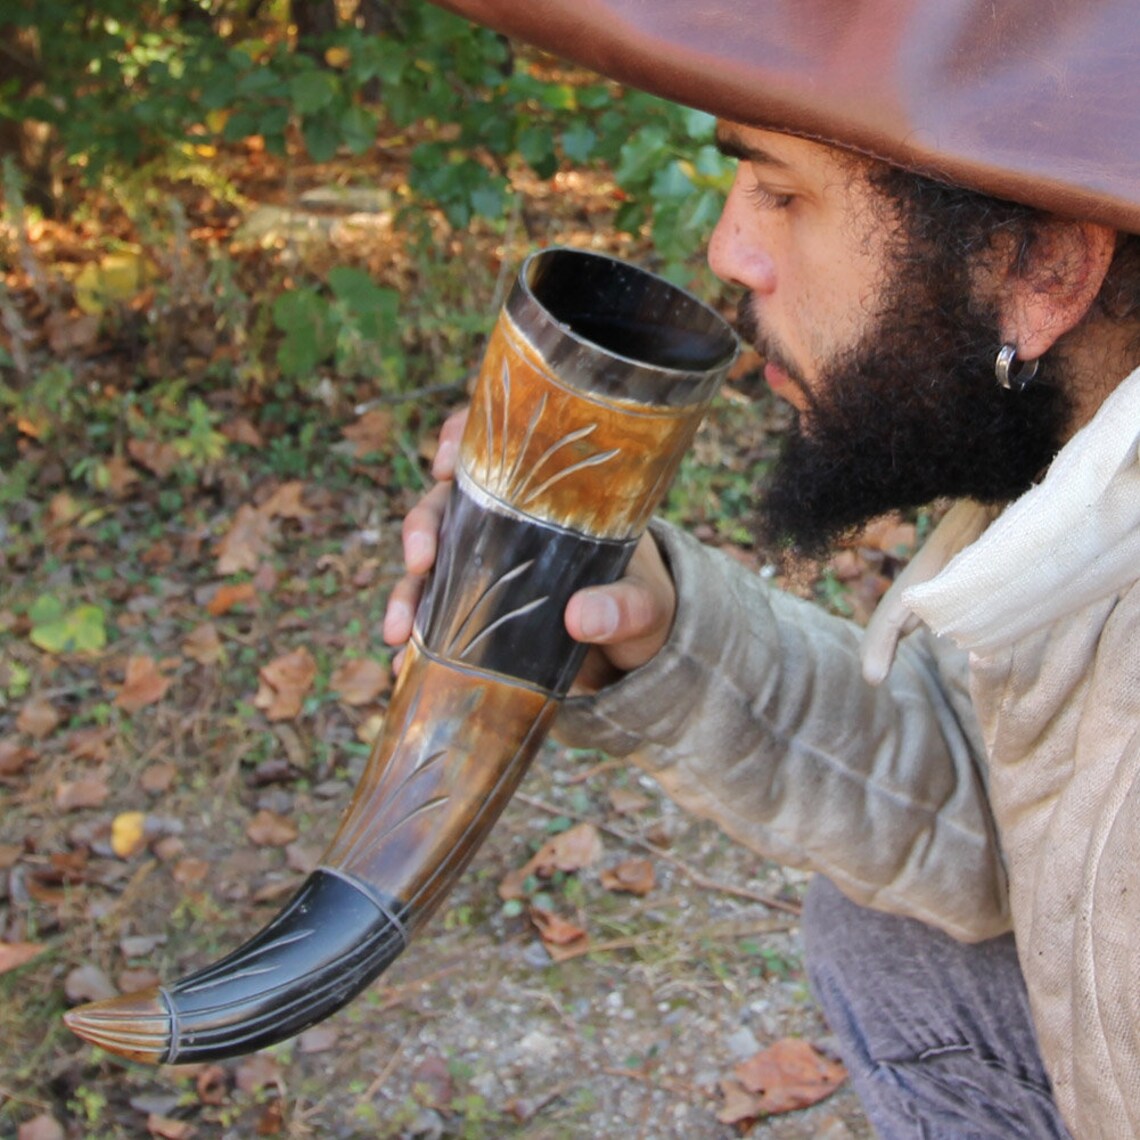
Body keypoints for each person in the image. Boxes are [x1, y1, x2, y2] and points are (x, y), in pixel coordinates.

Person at [383, 5, 1140, 1137]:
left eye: (782, 192)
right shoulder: (1085, 479)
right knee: (890, 947)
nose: (728, 250)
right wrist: (664, 634)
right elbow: (1013, 818)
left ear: (1044, 267)